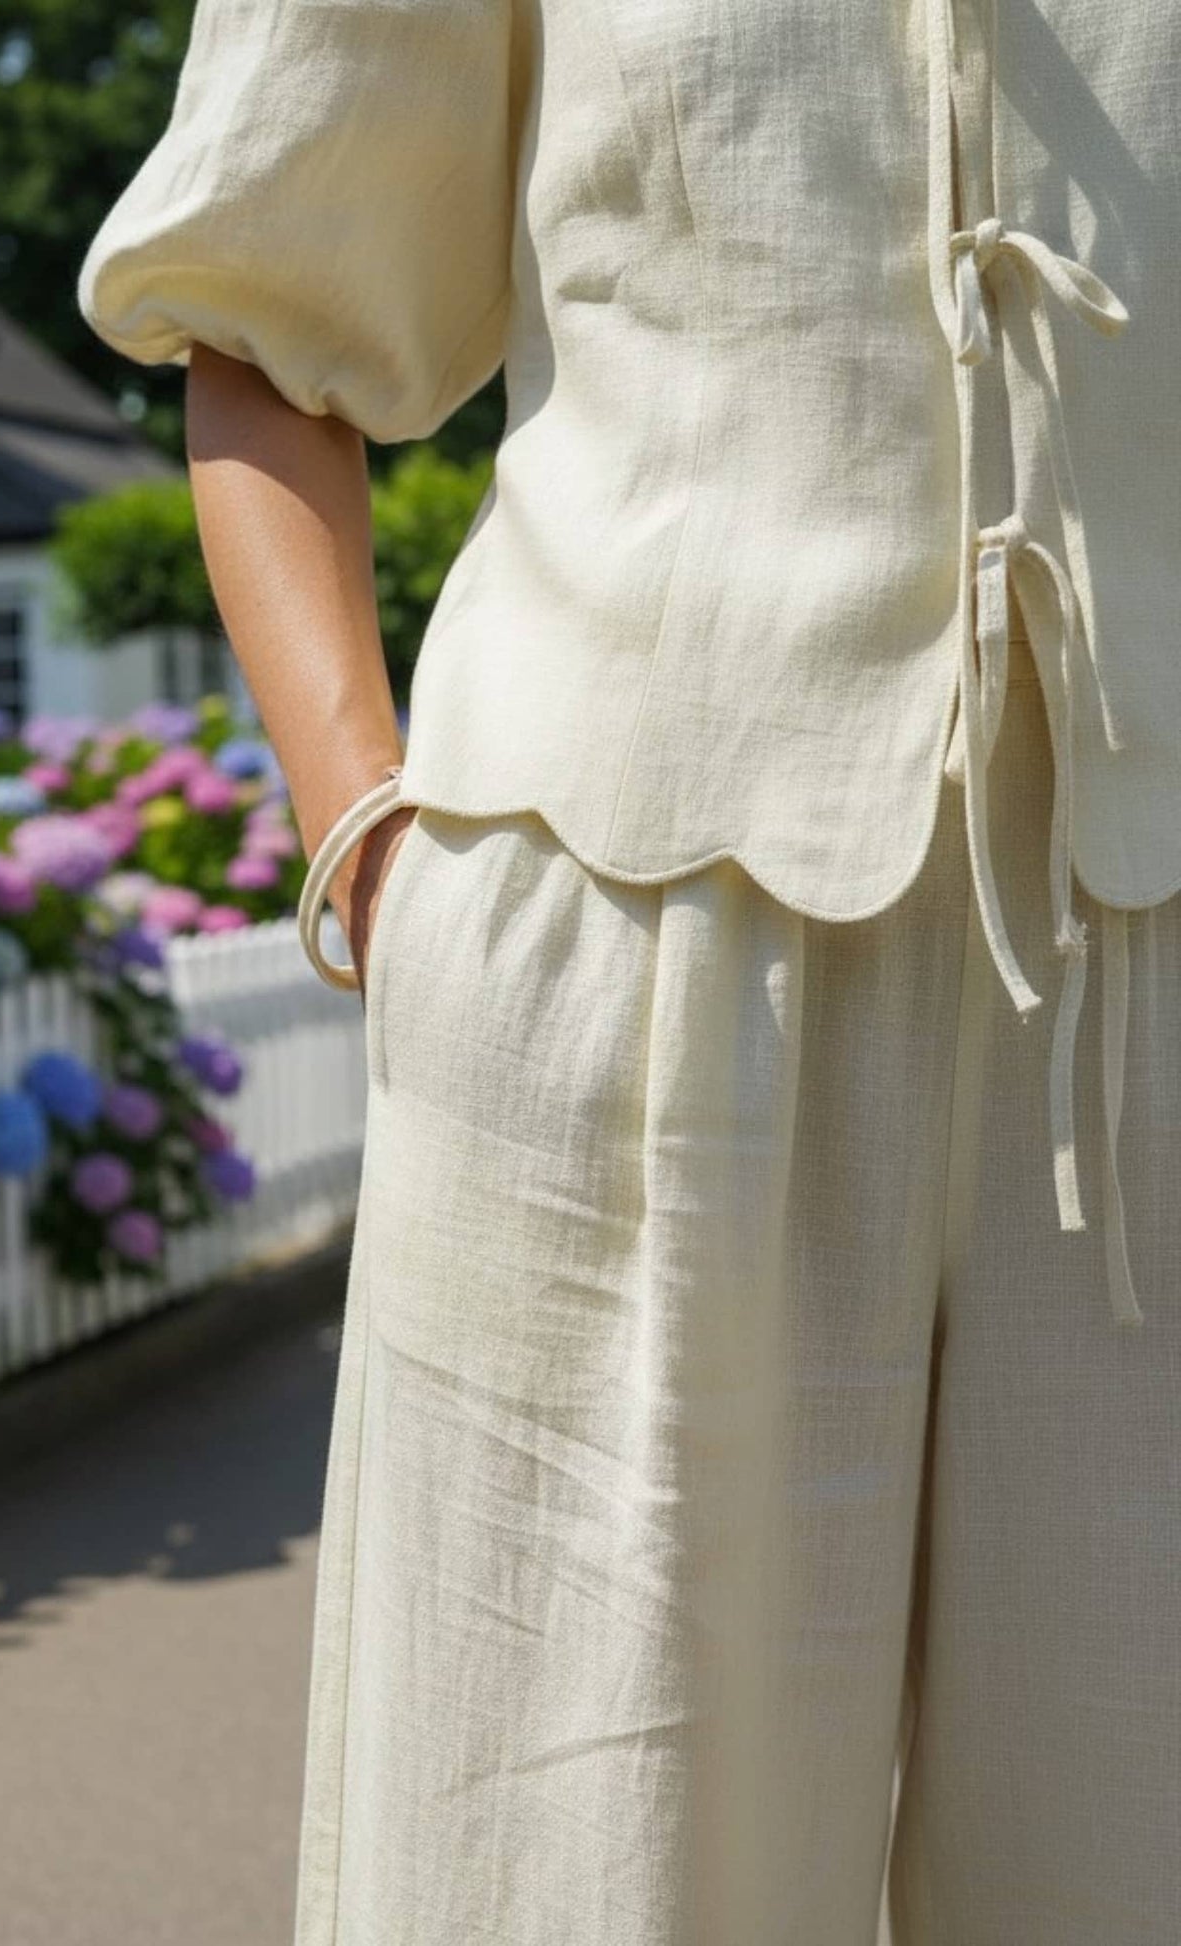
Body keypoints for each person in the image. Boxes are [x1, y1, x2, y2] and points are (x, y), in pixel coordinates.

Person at [76, 0, 1181, 1938]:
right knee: (576, 1880)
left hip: (1148, 989)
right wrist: (376, 850)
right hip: (625, 957)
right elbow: (259, 315)